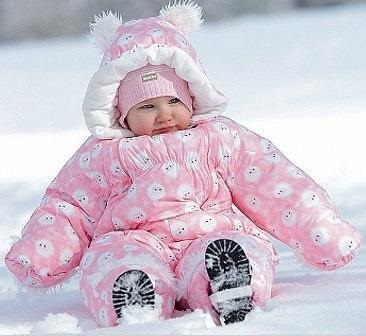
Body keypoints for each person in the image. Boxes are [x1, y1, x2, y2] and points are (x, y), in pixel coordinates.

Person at [5, 1, 362, 328]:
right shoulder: (104, 153)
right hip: (135, 239)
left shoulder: (220, 137)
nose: (163, 115)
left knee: (235, 247)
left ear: (192, 94)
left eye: (173, 101)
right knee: (111, 258)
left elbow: (275, 183)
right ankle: (134, 293)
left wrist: (323, 233)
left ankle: (228, 282)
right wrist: (40, 251)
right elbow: (69, 205)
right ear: (121, 113)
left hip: (210, 233)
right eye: (146, 107)